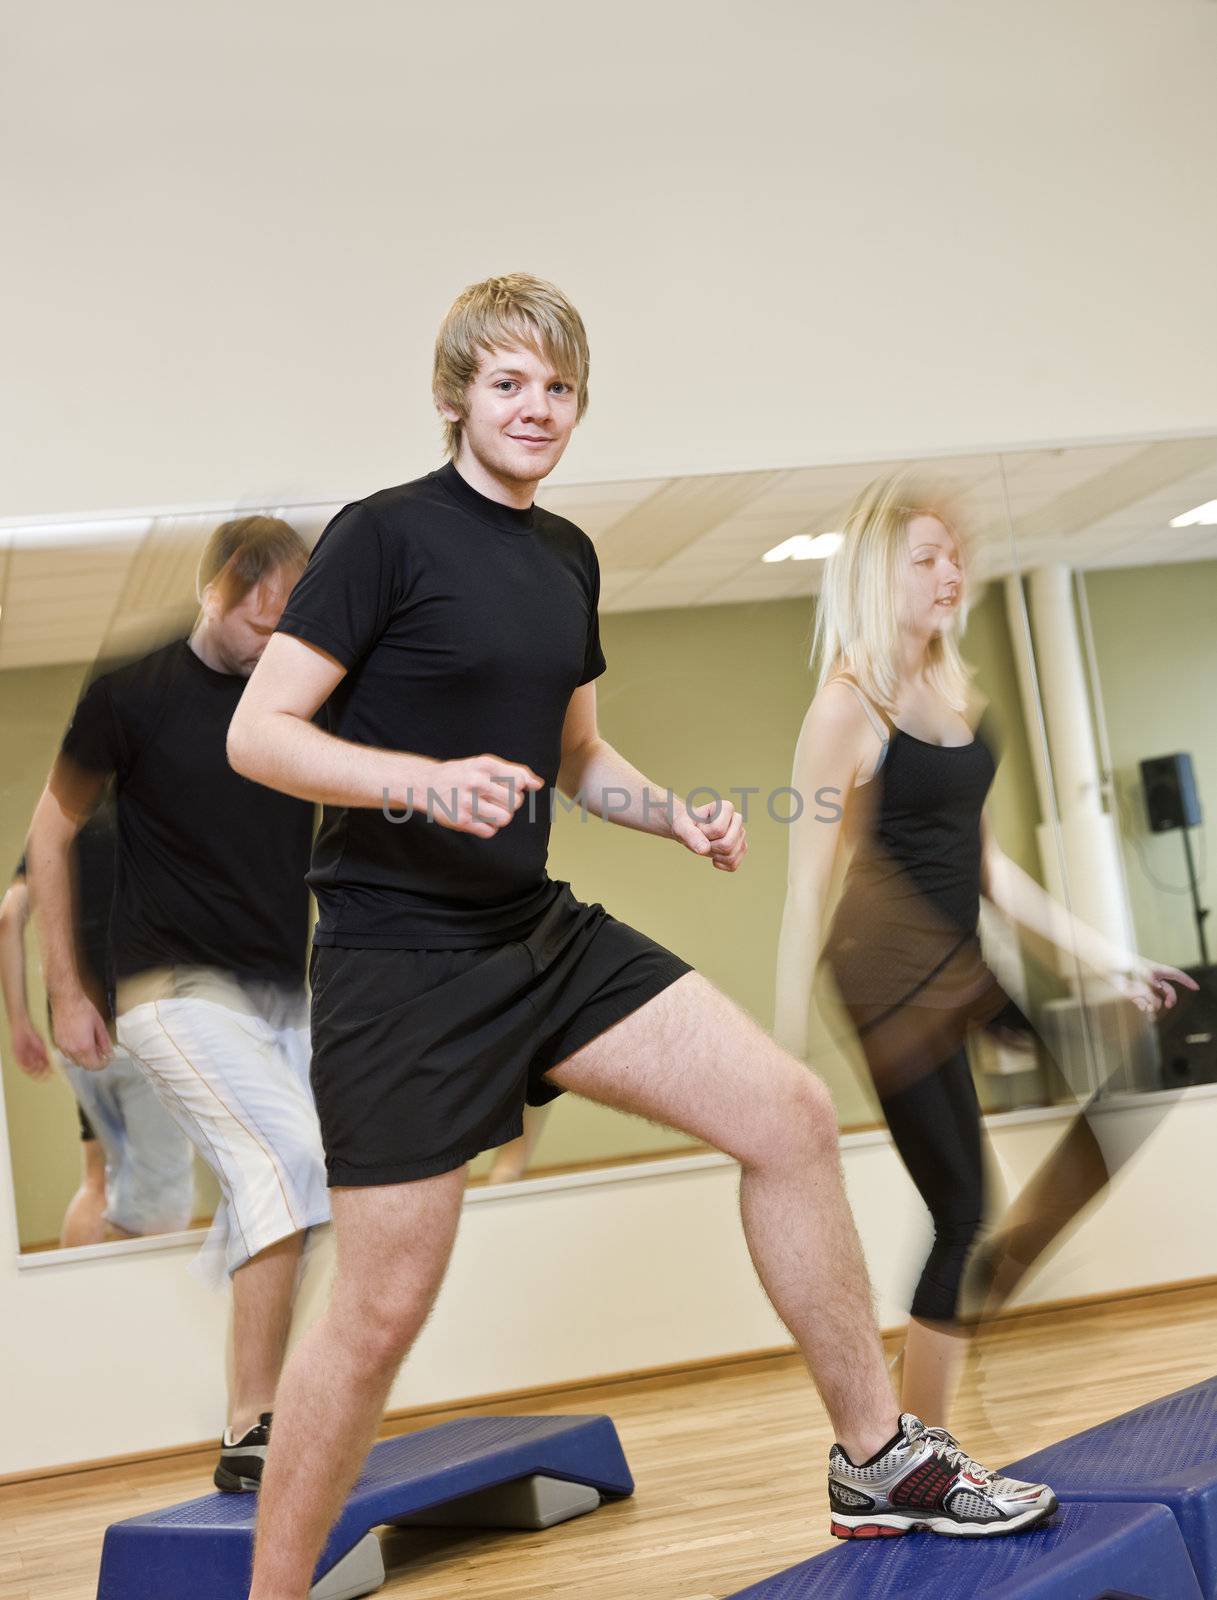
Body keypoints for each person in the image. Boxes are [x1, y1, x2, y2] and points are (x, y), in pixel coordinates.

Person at [228, 274, 1055, 1596]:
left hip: (534, 932)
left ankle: (872, 1455)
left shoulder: (566, 558)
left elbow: (578, 756)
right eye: (507, 382)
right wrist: (417, 781)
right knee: (379, 1313)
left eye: (556, 386)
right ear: (455, 398)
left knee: (785, 1115)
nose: (535, 407)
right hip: (400, 960)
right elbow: (256, 735)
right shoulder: (382, 538)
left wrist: (675, 817)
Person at [774, 472, 1197, 1425]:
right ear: (878, 578)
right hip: (885, 970)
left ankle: (976, 1299)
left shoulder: (953, 685)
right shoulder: (847, 705)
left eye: (953, 555)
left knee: (1120, 1090)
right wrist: (780, 1056)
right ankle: (902, 1452)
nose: (948, 572)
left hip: (959, 964)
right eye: (922, 559)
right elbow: (803, 890)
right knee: (962, 1206)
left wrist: (1112, 959)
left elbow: (993, 870)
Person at [24, 517, 331, 1491]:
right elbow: (49, 830)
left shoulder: (301, 693)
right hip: (170, 990)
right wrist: (68, 989)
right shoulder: (133, 691)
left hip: (283, 991)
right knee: (285, 1160)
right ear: (215, 591)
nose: (269, 637)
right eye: (257, 615)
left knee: (318, 1186)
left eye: (290, 619)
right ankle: (253, 1421)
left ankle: (254, 1354)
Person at [1, 799, 194, 1246]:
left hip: (76, 1039)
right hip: (141, 1030)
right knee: (162, 1202)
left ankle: (81, 1305)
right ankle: (128, 1307)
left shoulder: (56, 819)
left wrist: (19, 1023)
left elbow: (8, 918)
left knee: (98, 1181)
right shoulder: (151, 810)